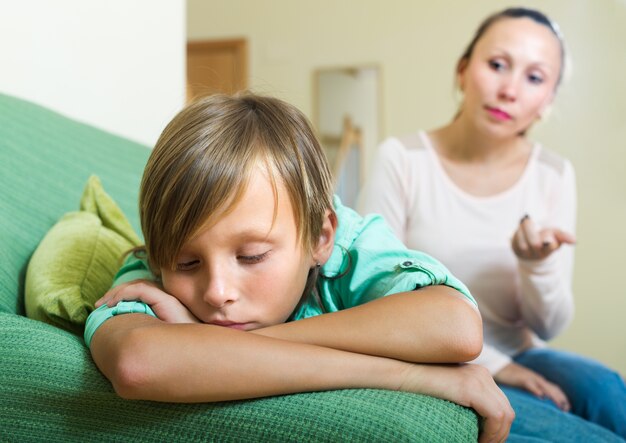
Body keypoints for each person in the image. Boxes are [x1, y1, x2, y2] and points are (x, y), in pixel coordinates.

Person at [84, 92, 515, 442]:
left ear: (319, 238)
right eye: (187, 262)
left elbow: (456, 328)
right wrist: (408, 376)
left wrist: (215, 342)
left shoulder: (346, 242)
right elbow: (137, 366)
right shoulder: (148, 281)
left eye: (251, 256)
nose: (217, 291)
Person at [361, 6, 626, 440]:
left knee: (606, 389)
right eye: (497, 65)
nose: (509, 90)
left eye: (534, 78)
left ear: (548, 103)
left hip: (524, 351)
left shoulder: (554, 174)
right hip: (432, 356)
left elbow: (551, 326)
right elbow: (374, 290)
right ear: (463, 70)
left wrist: (535, 264)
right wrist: (499, 368)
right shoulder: (402, 159)